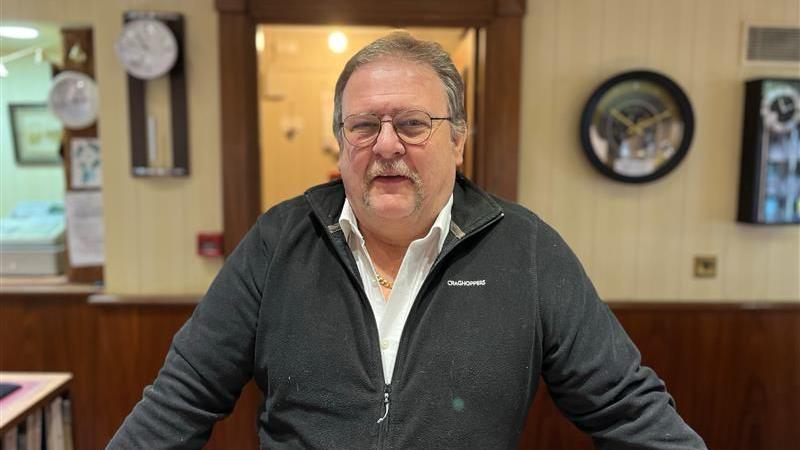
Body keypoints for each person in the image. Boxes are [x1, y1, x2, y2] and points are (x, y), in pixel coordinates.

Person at [108, 32, 707, 449]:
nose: (387, 145)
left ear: (459, 140)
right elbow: (180, 400)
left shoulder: (526, 249)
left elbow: (630, 410)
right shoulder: (277, 242)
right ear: (341, 143)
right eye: (364, 125)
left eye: (413, 123)